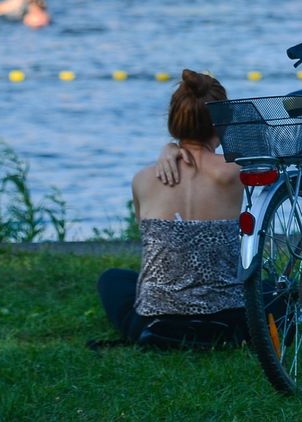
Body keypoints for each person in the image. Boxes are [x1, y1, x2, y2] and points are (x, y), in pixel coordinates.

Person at [98, 70, 246, 348]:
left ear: (173, 121)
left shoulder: (143, 179)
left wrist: (171, 146)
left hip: (154, 324)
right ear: (221, 122)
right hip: (227, 320)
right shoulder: (235, 172)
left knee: (112, 279)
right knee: (267, 283)